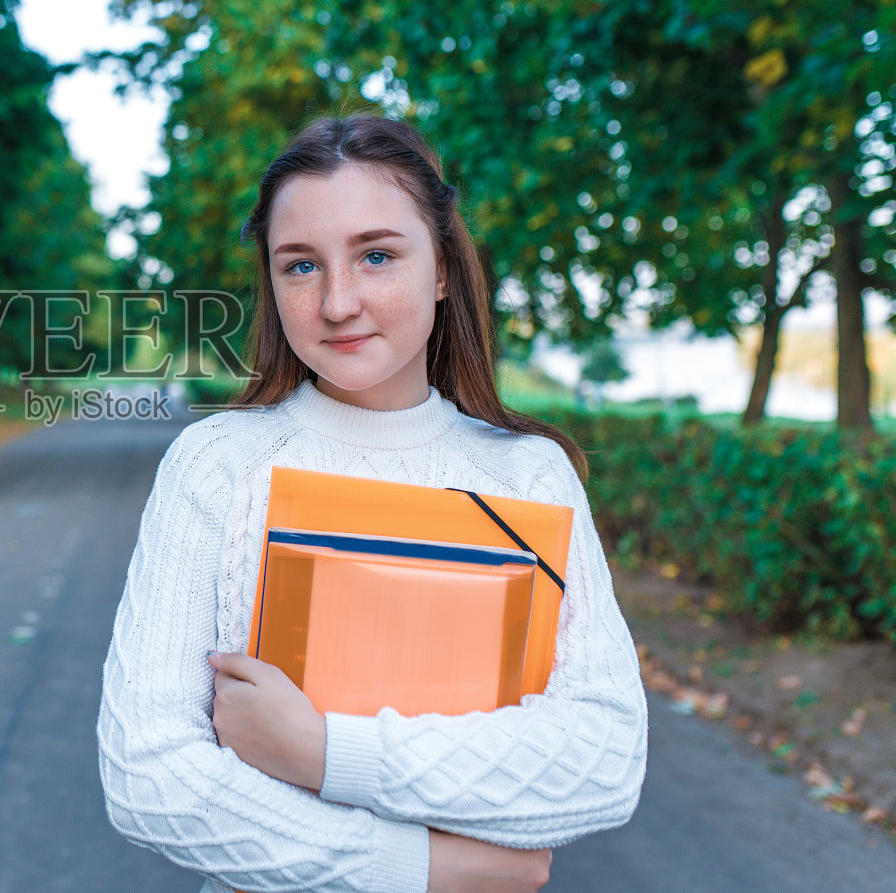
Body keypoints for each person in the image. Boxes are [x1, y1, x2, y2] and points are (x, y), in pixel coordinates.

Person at [97, 112, 648, 893]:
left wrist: (323, 751)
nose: (337, 303)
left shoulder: (530, 477)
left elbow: (604, 761)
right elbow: (148, 777)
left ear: (443, 270)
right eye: (300, 266)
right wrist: (420, 868)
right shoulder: (216, 467)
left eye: (377, 255)